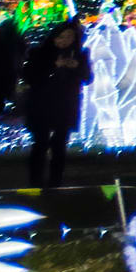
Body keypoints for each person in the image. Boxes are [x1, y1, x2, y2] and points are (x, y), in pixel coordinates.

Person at [19, 23, 85, 197]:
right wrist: (53, 66)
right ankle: (35, 182)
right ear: (54, 37)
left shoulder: (79, 55)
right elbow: (30, 77)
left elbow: (87, 77)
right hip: (42, 105)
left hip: (65, 106)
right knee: (40, 144)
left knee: (59, 146)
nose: (65, 41)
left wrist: (76, 67)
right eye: (61, 37)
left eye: (69, 37)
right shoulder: (39, 53)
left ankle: (56, 183)